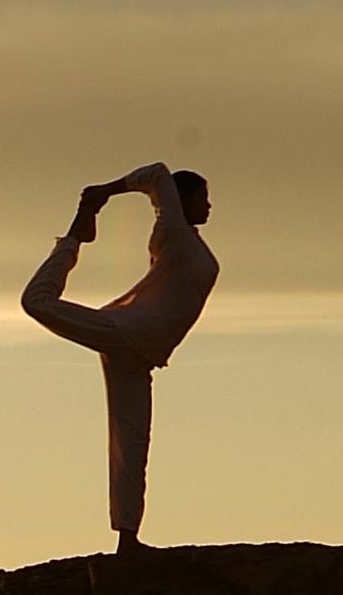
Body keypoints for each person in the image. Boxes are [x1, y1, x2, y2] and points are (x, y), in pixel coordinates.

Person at [19, 163, 217, 552]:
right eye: (204, 198)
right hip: (128, 332)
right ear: (182, 201)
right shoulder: (173, 231)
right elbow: (158, 173)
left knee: (132, 442)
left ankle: (128, 538)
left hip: (141, 352)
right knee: (36, 302)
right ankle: (73, 238)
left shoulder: (183, 238)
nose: (209, 206)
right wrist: (104, 193)